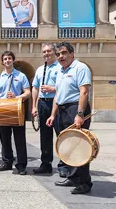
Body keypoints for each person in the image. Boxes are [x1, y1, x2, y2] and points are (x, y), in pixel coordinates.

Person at [47, 42, 93, 195]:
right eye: (58, 54)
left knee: (80, 146)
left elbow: (84, 92)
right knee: (67, 146)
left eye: (64, 53)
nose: (61, 56)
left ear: (72, 53)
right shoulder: (60, 71)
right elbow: (57, 94)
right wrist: (53, 114)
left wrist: (80, 114)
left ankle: (85, 182)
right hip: (61, 109)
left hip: (75, 108)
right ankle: (73, 177)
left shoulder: (80, 68)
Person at [0, 51, 30, 175]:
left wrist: (17, 96)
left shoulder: (21, 76)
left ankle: (21, 165)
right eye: (5, 59)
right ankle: (7, 162)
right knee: (5, 139)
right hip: (2, 110)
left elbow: (28, 92)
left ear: (13, 60)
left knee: (20, 139)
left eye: (9, 58)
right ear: (2, 62)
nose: (7, 61)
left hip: (17, 110)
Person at [32, 43, 64, 176]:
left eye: (49, 51)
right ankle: (46, 163)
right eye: (44, 51)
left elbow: (64, 86)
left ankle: (64, 166)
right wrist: (34, 105)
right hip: (43, 103)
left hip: (56, 103)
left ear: (54, 52)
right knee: (44, 135)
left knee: (60, 134)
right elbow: (35, 87)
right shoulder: (40, 69)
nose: (46, 54)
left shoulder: (61, 68)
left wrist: (52, 88)